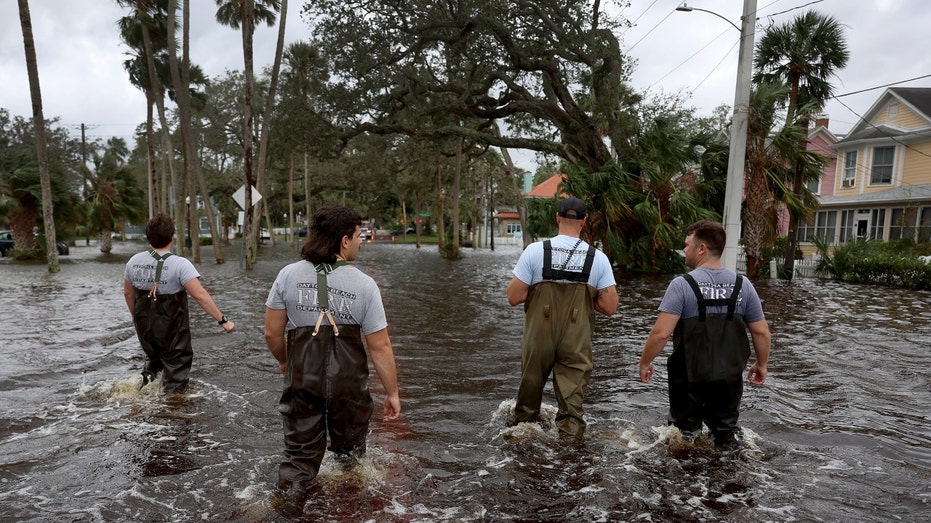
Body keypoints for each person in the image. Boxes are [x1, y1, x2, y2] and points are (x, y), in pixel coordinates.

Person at [265, 205, 401, 491]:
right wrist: (392, 392)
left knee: (299, 461)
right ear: (344, 241)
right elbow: (380, 347)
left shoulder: (287, 275)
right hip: (348, 385)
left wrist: (284, 361)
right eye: (358, 235)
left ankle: (286, 506)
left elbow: (272, 333)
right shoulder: (365, 285)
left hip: (303, 378)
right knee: (350, 462)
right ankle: (347, 509)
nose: (361, 241)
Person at [639, 220, 771, 449]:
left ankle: (688, 481)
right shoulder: (743, 285)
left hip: (688, 377)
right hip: (728, 378)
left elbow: (661, 333)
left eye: (687, 244)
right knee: (725, 436)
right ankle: (726, 477)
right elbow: (760, 332)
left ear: (702, 249)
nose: (684, 250)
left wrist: (646, 361)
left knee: (683, 437)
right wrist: (762, 364)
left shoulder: (681, 285)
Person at [506, 197, 619, 439]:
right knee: (572, 408)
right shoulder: (597, 258)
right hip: (576, 338)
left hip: (539, 336)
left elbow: (514, 297)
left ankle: (522, 451)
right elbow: (610, 307)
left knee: (526, 405)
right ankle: (569, 458)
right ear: (584, 221)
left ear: (557, 218)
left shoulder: (535, 251)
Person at [123, 213, 236, 393]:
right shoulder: (180, 264)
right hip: (171, 328)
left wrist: (135, 316)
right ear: (172, 237)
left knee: (153, 359)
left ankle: (142, 397)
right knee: (176, 365)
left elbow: (128, 293)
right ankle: (171, 409)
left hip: (144, 325)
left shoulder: (133, 262)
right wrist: (223, 320)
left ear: (149, 236)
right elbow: (200, 295)